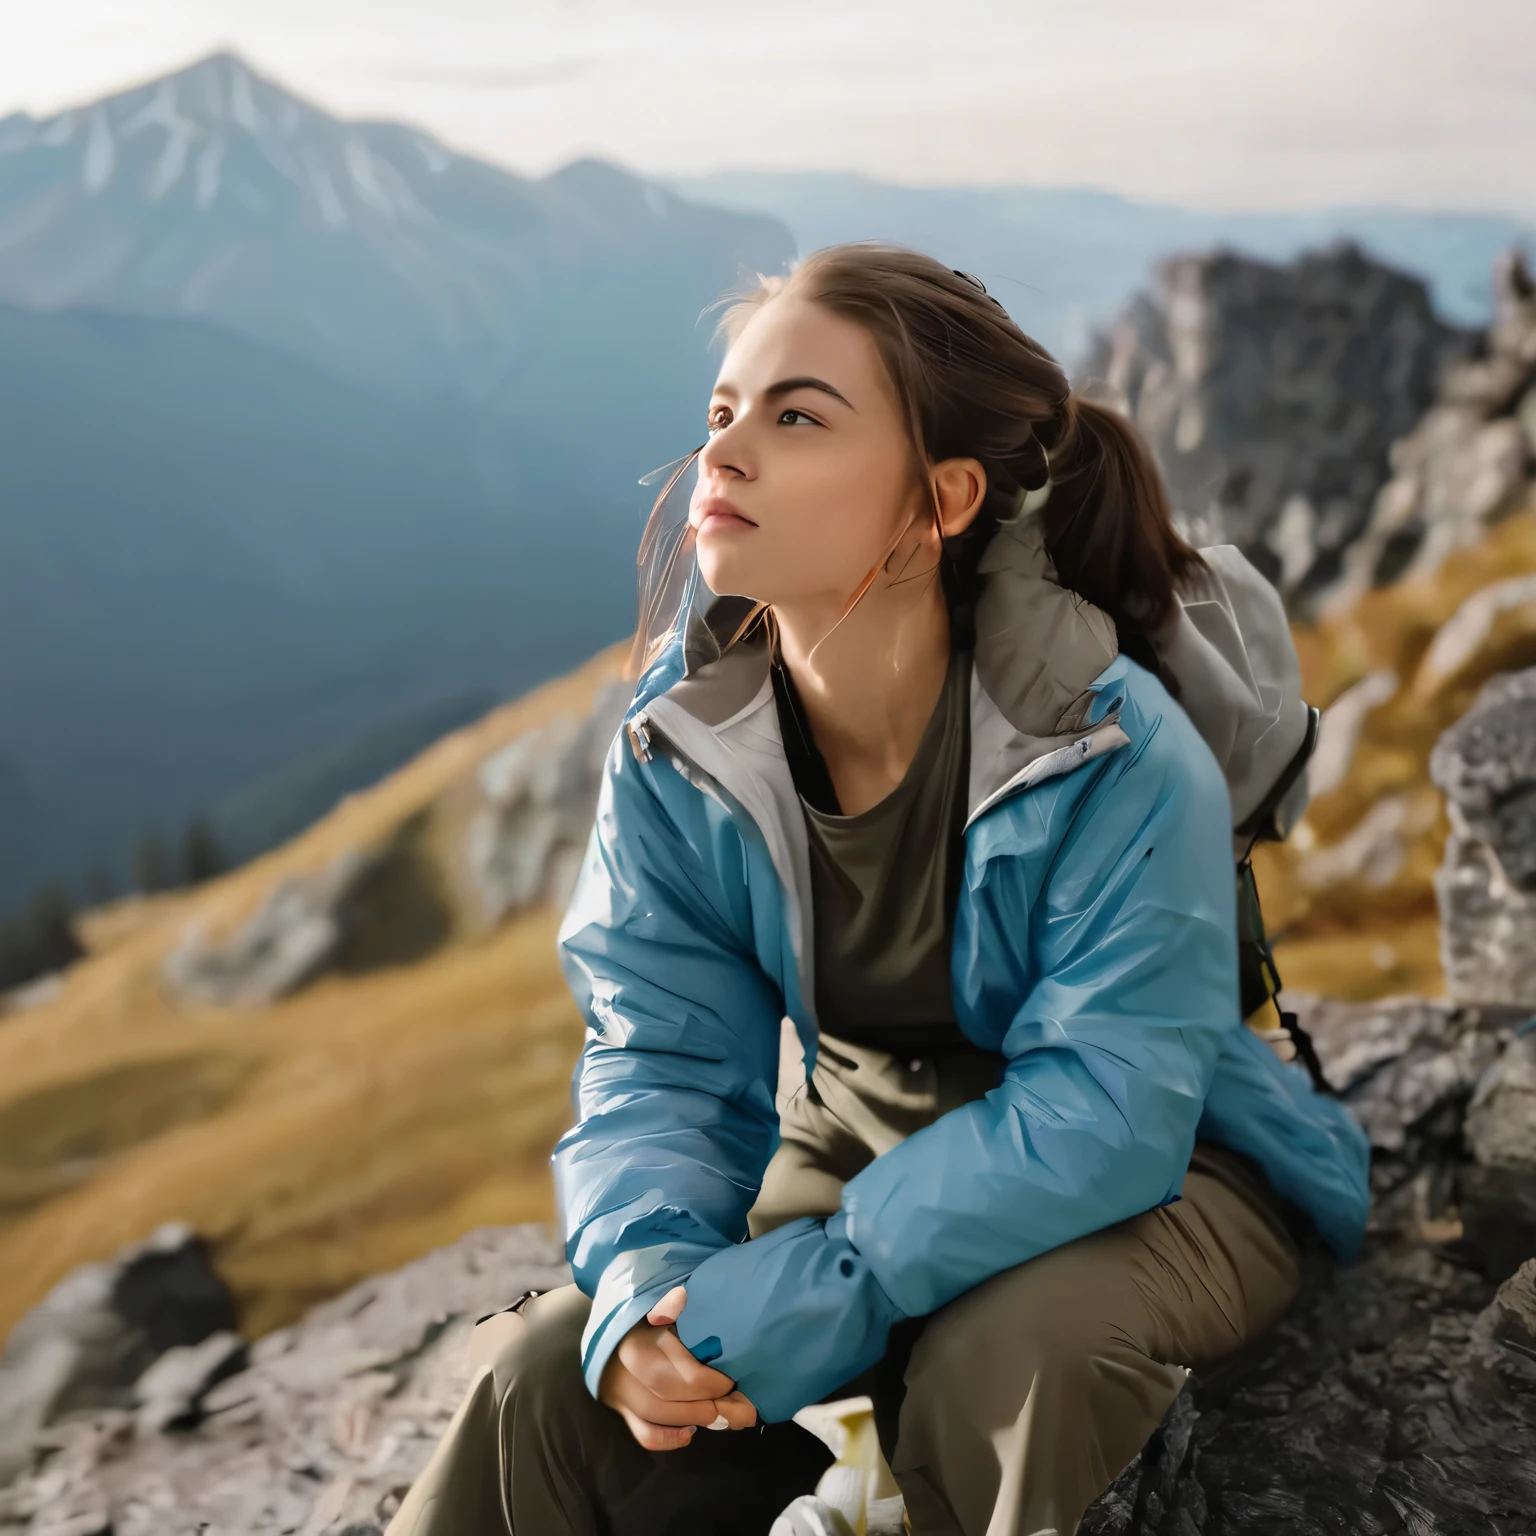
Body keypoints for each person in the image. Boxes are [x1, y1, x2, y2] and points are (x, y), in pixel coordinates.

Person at [387, 242, 1370, 1536]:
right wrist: (647, 1292)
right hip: (860, 1145)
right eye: (723, 413)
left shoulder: (1109, 747)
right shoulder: (683, 741)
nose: (722, 456)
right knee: (541, 1387)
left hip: (1177, 1172)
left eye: (797, 418)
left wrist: (837, 1280)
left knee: (1004, 1364)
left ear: (942, 499)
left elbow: (1113, 1105)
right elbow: (661, 1060)